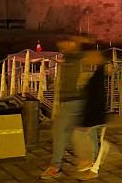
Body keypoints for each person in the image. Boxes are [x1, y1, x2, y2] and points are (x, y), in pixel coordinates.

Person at [39, 35, 90, 180]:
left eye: (65, 44)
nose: (62, 47)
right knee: (73, 132)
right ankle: (85, 163)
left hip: (75, 101)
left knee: (61, 130)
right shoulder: (69, 59)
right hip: (70, 101)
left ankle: (57, 166)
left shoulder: (78, 58)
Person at [73, 50, 110, 180]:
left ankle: (93, 169)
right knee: (86, 138)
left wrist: (91, 121)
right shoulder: (96, 74)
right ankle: (90, 166)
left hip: (96, 115)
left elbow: (97, 98)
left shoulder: (98, 75)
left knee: (88, 139)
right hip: (93, 114)